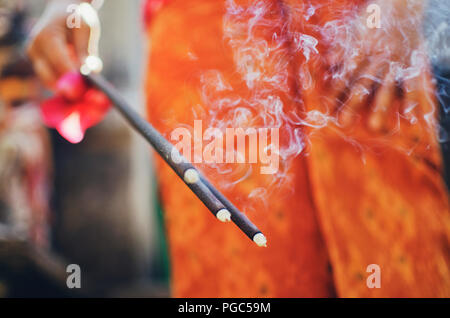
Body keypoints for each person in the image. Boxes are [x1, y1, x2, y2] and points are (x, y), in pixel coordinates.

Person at [27, 0, 450, 297]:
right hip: (205, 47)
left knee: (398, 269)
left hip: (362, 44)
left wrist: (403, 6)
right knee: (240, 280)